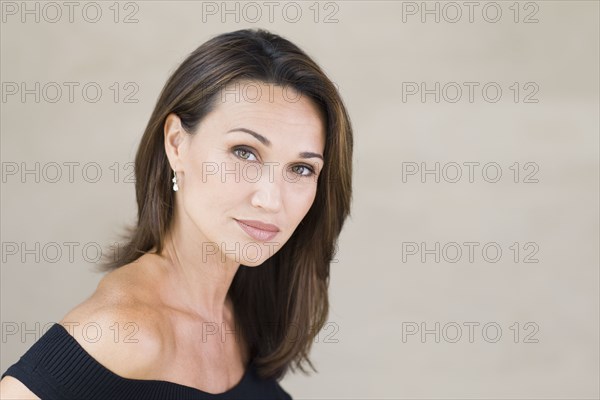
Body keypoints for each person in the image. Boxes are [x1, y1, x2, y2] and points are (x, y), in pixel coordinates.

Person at [0, 28, 353, 399]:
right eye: (244, 152)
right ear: (176, 144)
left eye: (300, 169)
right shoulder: (120, 329)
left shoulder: (242, 316)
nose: (271, 198)